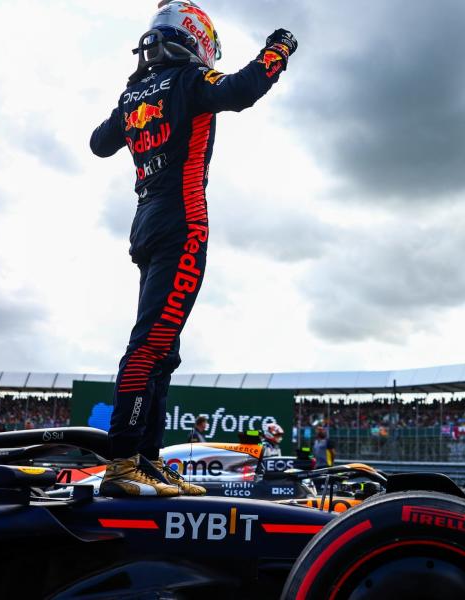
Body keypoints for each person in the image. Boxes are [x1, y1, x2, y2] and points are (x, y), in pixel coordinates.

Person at [91, 1, 297, 497]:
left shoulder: (133, 94)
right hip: (183, 222)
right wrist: (280, 48)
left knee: (165, 348)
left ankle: (145, 459)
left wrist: (134, 103)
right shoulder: (189, 81)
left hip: (144, 223)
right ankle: (123, 461)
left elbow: (99, 143)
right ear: (196, 38)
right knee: (152, 344)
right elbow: (243, 90)